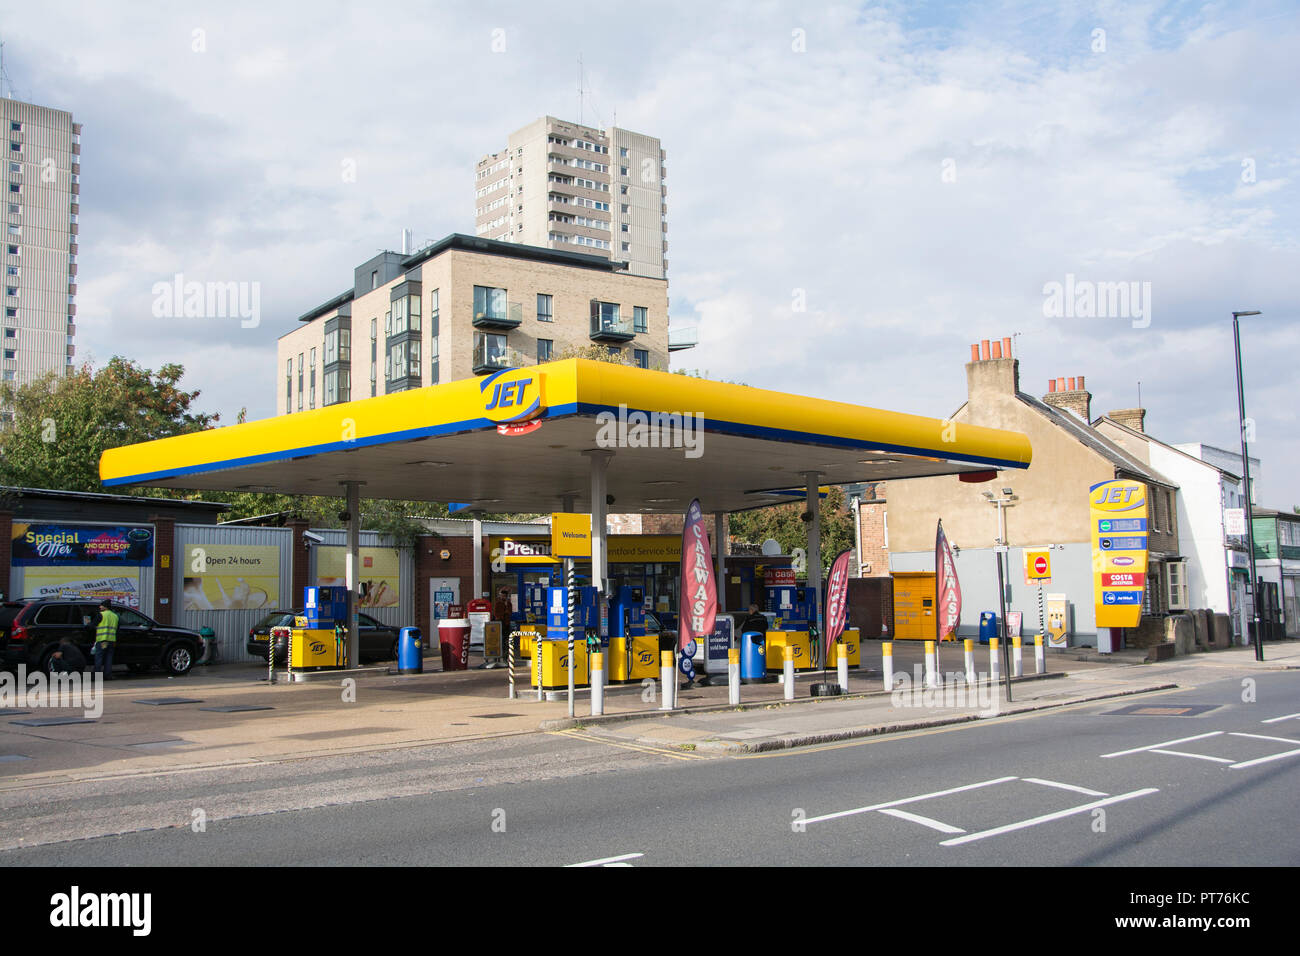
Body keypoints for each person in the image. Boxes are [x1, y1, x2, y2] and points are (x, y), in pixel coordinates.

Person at [92, 600, 119, 680]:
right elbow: (118, 629)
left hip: (103, 640)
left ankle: (97, 676)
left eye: (101, 605)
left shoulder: (101, 615)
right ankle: (108, 675)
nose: (100, 607)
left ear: (105, 606)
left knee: (99, 657)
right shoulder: (115, 616)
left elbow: (92, 625)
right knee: (109, 658)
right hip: (112, 640)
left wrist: (87, 625)